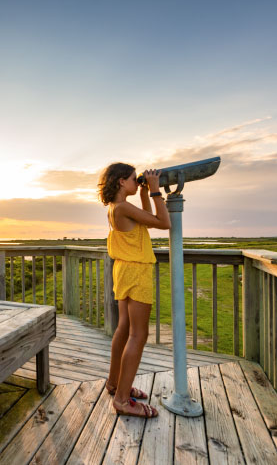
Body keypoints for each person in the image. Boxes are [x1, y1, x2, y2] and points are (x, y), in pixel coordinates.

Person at [98, 163, 170, 418]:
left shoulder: (115, 208)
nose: (135, 181)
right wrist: (155, 189)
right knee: (138, 335)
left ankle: (115, 384)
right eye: (132, 179)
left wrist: (143, 195)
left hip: (124, 270)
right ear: (120, 182)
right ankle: (121, 400)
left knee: (124, 329)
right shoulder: (123, 208)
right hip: (137, 272)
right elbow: (164, 223)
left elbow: (147, 223)